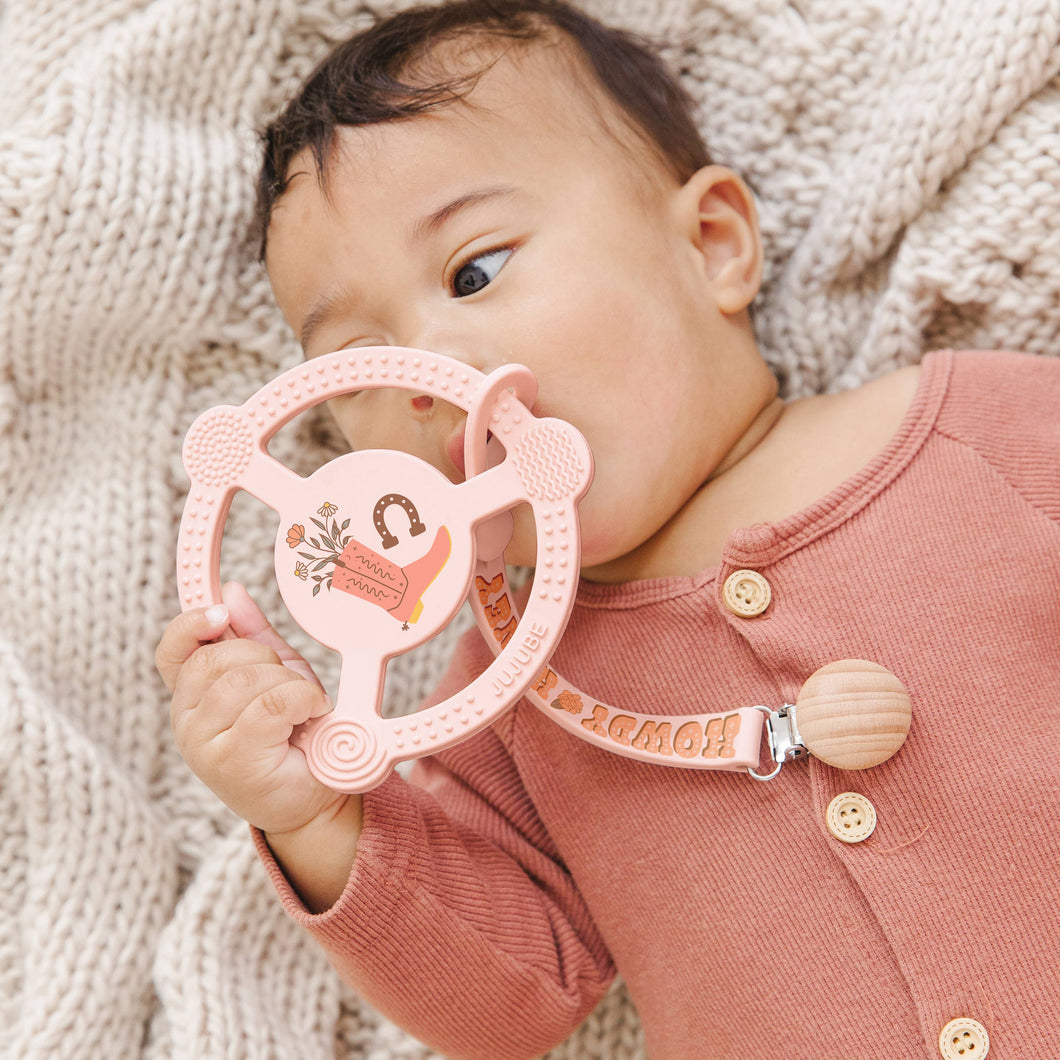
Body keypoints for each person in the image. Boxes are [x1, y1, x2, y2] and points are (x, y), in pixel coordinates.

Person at [155, 1, 1060, 1056]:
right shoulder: (504, 692)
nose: (425, 377)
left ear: (713, 247)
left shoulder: (991, 433)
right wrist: (316, 818)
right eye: (357, 367)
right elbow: (503, 1003)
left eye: (474, 272)